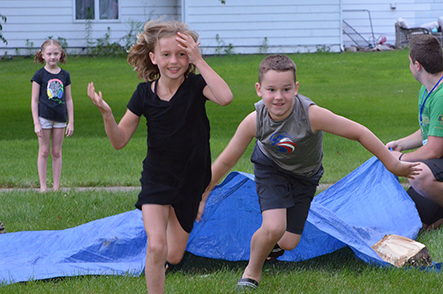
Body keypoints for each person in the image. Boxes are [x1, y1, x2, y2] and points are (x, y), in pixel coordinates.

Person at [198, 54, 420, 291]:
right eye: (271, 89)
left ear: (296, 88)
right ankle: (252, 271)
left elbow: (359, 132)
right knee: (274, 226)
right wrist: (203, 193)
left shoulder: (311, 115)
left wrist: (392, 164)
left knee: (289, 241)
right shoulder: (254, 120)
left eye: (285, 89)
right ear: (259, 90)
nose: (279, 97)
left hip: (305, 176)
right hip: (270, 168)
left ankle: (268, 243)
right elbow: (226, 161)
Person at [87, 20, 232, 294]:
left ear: (189, 56)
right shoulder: (143, 95)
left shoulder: (196, 87)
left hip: (191, 180)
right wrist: (107, 114)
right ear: (153, 58)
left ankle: (167, 227)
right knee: (156, 245)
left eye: (181, 54)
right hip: (157, 178)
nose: (174, 61)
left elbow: (225, 97)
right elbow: (119, 141)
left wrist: (199, 60)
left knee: (173, 255)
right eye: (166, 55)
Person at [386, 34, 443, 230]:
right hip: (439, 162)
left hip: (438, 159)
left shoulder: (441, 95)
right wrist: (401, 144)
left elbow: (434, 149)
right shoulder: (428, 88)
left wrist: (400, 158)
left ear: (417, 65)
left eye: (409, 62)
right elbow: (429, 131)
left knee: (418, 174)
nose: (409, 66)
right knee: (414, 220)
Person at [31, 39, 74, 192]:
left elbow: (68, 99)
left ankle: (56, 187)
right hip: (44, 118)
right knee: (43, 151)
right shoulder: (39, 75)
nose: (52, 57)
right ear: (42, 55)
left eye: (56, 54)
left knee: (56, 152)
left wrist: (71, 122)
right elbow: (34, 100)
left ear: (60, 54)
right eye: (49, 54)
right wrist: (36, 122)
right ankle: (43, 187)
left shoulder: (65, 75)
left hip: (60, 119)